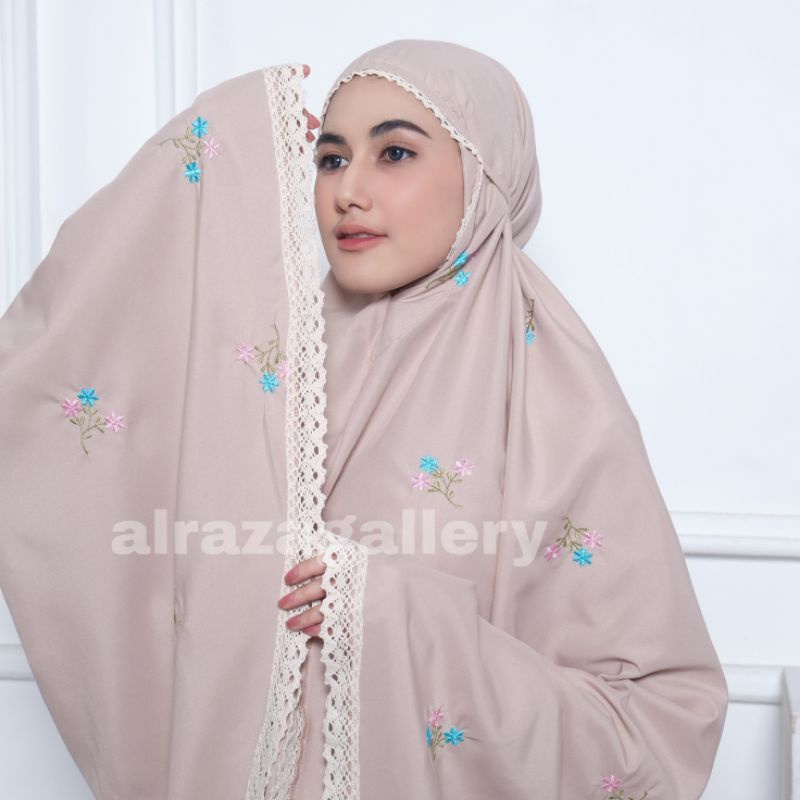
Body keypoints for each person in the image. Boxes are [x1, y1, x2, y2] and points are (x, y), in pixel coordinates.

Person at [278, 40, 729, 799]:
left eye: (394, 153)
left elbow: (655, 725)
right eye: (330, 158)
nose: (348, 191)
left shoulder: (560, 399)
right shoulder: (274, 359)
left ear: (485, 175)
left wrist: (393, 612)